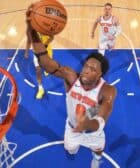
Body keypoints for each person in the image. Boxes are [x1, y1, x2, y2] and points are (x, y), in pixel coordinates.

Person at [26, 4, 117, 168]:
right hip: (72, 127)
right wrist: (33, 29)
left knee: (98, 148)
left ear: (100, 75)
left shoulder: (108, 90)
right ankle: (75, 145)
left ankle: (96, 159)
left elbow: (102, 116)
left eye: (92, 69)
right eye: (86, 66)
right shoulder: (71, 76)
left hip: (92, 130)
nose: (86, 71)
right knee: (70, 148)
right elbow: (45, 63)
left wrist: (87, 124)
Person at [25, 9, 54, 99]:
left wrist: (44, 44)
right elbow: (29, 40)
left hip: (46, 52)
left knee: (48, 67)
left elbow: (52, 37)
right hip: (36, 53)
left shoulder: (46, 27)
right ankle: (40, 88)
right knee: (38, 71)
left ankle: (46, 69)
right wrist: (26, 51)